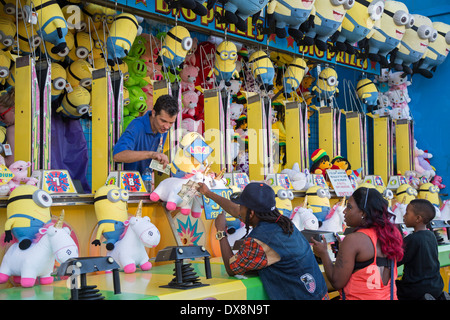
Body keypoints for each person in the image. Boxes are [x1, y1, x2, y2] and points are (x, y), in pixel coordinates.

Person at [197, 181, 329, 300]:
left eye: (242, 206)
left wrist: (220, 232)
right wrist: (208, 193)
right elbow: (235, 210)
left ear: (252, 213)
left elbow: (232, 268)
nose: (239, 211)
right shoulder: (282, 222)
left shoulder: (261, 240)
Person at [311, 187, 404, 300]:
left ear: (363, 213)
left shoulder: (353, 240)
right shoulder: (391, 235)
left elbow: (336, 282)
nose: (344, 211)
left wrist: (323, 254)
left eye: (349, 207)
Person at [113, 94, 178, 175]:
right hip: (127, 182)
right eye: (163, 121)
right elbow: (118, 155)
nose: (167, 126)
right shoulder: (136, 126)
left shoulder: (163, 129)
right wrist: (151, 154)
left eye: (171, 122)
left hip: (146, 181)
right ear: (154, 113)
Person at [396, 199, 448, 300]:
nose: (404, 216)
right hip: (436, 285)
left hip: (415, 289)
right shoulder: (431, 235)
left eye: (407, 213)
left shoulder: (412, 239)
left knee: (391, 287)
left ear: (418, 218)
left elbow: (396, 260)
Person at [0, 88, 15, 167]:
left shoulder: (11, 129)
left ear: (13, 109)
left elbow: (11, 162)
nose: (0, 120)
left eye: (2, 115)